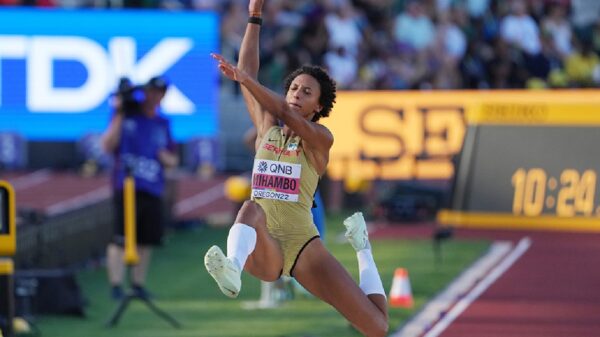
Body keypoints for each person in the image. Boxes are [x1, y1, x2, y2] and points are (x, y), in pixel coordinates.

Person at [203, 1, 388, 336]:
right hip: (265, 245)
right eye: (293, 88)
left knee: (375, 327)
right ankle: (231, 268)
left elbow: (279, 108)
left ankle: (363, 248)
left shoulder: (320, 139)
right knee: (249, 208)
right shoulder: (265, 130)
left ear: (318, 105)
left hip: (303, 245)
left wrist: (247, 80)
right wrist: (255, 16)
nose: (296, 95)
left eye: (306, 92)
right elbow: (247, 70)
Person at [101, 76, 179, 300]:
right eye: (151, 91)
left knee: (146, 240)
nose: (154, 96)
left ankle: (138, 284)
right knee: (119, 237)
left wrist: (165, 158)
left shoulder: (162, 123)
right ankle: (116, 285)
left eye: (159, 92)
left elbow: (173, 159)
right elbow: (107, 145)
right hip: (126, 186)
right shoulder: (126, 117)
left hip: (152, 187)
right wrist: (119, 112)